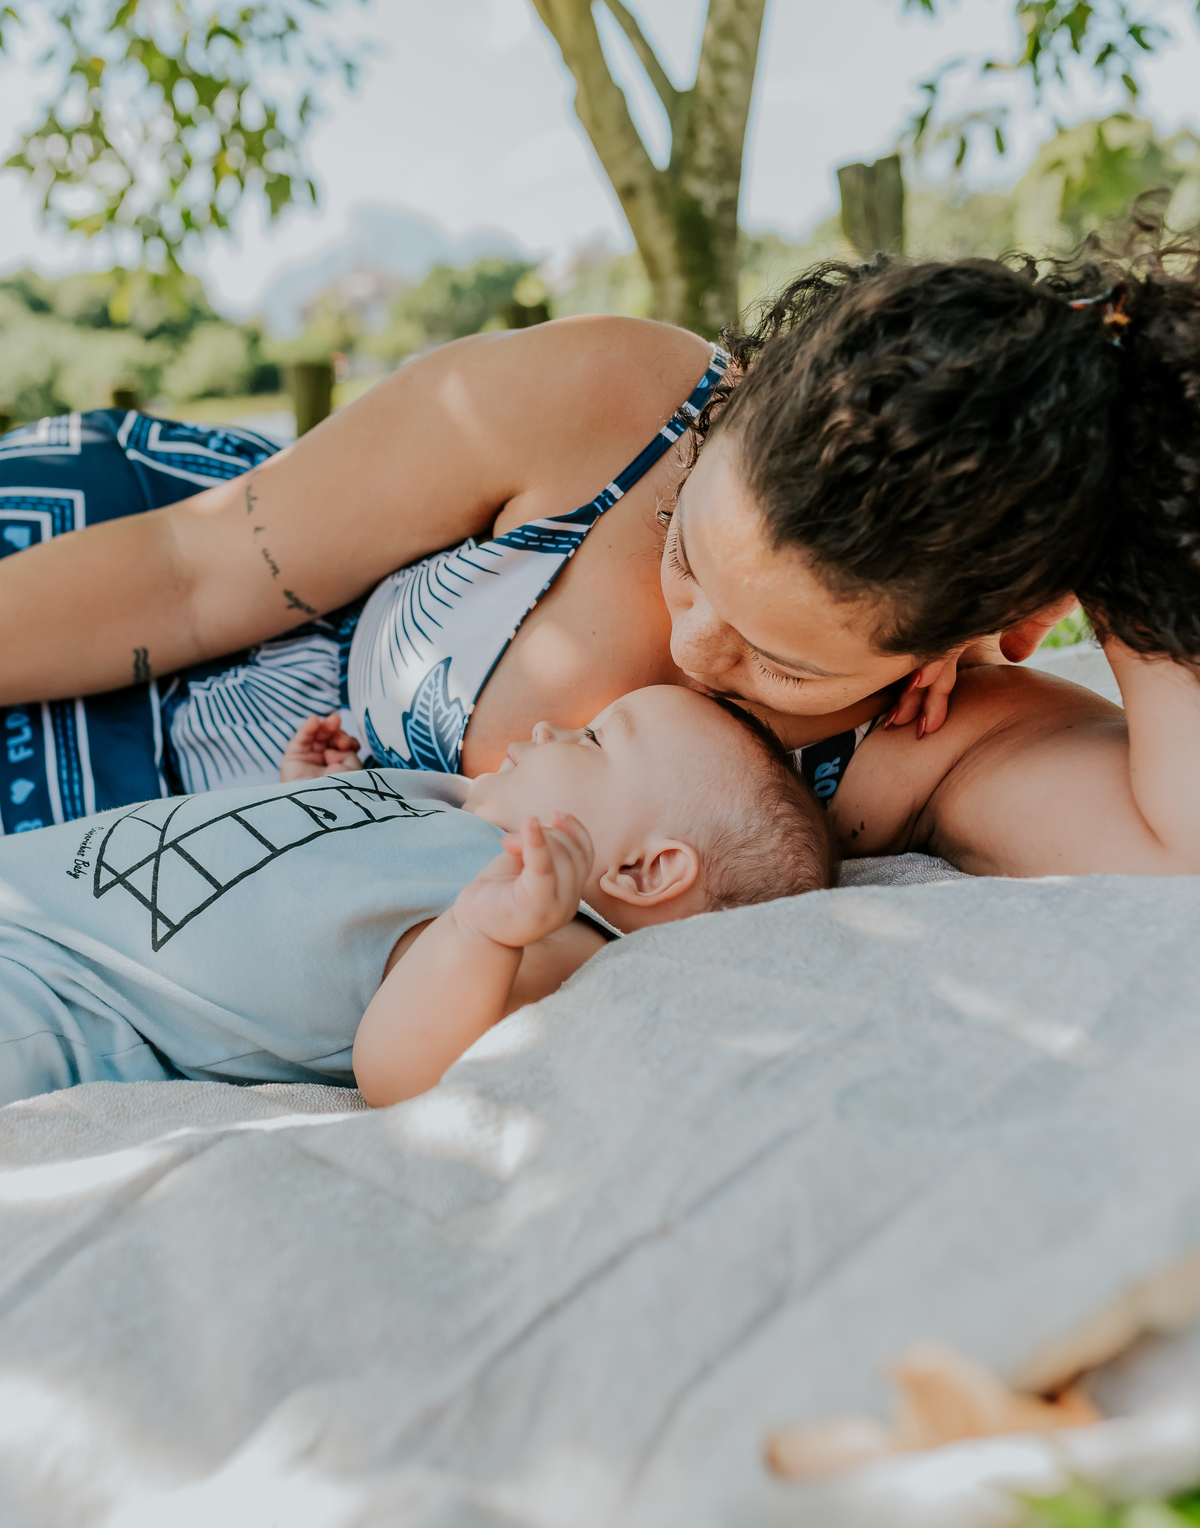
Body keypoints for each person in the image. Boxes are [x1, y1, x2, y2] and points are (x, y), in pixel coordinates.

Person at [0, 237, 1196, 872]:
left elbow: (1178, 843)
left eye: (783, 663)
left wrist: (1132, 508)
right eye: (688, 554)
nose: (691, 642)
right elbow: (188, 572)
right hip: (123, 594)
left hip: (185, 857)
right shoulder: (608, 401)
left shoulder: (926, 751)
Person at [0, 685, 832, 1109]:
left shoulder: (542, 929)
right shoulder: (454, 804)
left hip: (64, 997)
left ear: (643, 872)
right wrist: (312, 797)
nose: (548, 729)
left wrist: (483, 933)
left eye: (592, 739)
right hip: (30, 882)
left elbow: (398, 1069)